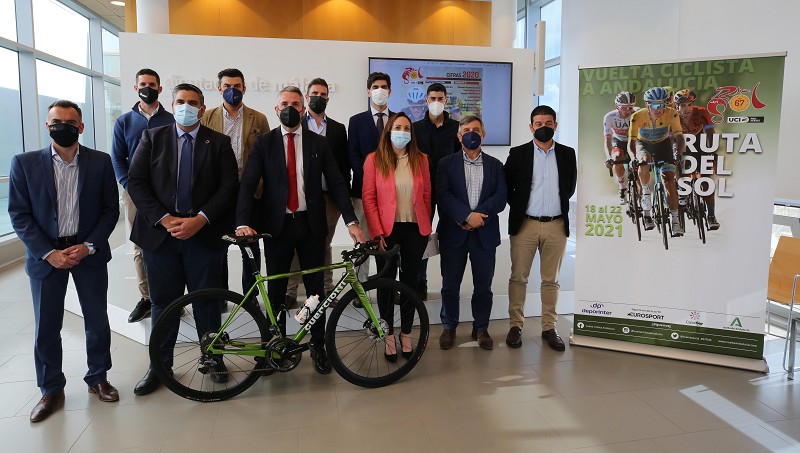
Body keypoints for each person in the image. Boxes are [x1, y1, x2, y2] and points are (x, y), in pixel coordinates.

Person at [235, 86, 366, 375]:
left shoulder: (319, 143)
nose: (289, 108)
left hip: (311, 225)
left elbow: (337, 182)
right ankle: (275, 347)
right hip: (277, 228)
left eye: (295, 104)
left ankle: (317, 344)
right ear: (276, 109)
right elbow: (248, 183)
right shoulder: (265, 143)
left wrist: (351, 221)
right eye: (284, 103)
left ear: (303, 108)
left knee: (315, 291)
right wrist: (242, 222)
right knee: (277, 290)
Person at [9, 100, 121, 422]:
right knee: (47, 326)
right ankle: (51, 389)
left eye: (70, 122)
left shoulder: (100, 162)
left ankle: (98, 378)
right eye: (56, 121)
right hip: (47, 257)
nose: (63, 127)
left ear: (81, 127)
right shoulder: (24, 163)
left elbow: (110, 211)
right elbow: (19, 214)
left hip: (88, 254)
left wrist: (89, 246)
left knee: (96, 320)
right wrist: (48, 253)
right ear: (47, 126)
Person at [128, 83, 239, 395]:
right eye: (180, 101)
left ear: (202, 109)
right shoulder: (152, 137)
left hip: (203, 235)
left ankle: (213, 358)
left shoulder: (219, 142)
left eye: (192, 102)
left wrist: (199, 219)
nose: (185, 107)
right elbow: (136, 182)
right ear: (172, 104)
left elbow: (228, 186)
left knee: (207, 301)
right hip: (160, 237)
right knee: (163, 303)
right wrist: (165, 219)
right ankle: (160, 365)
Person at [504, 105, 577, 351]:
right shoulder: (518, 154)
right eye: (538, 123)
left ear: (555, 125)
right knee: (518, 278)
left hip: (556, 225)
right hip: (525, 224)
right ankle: (516, 326)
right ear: (531, 127)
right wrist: (523, 208)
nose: (543, 127)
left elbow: (569, 188)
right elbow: (508, 188)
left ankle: (549, 327)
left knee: (551, 280)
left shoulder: (567, 154)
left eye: (548, 123)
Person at [362, 112, 432, 361]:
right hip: (386, 230)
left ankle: (406, 333)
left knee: (410, 283)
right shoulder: (374, 159)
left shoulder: (421, 159)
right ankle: (388, 334)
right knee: (386, 283)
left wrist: (426, 226)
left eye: (407, 128)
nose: (403, 132)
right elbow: (369, 198)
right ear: (389, 131)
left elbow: (427, 195)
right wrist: (376, 232)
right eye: (398, 127)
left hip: (415, 228)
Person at [436, 116, 506, 351]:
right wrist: (466, 216)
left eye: (476, 129)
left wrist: (477, 218)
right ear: (459, 136)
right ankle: (449, 327)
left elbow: (500, 197)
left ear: (483, 135)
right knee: (450, 285)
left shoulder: (496, 165)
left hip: (484, 234)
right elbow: (443, 195)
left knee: (483, 286)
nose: (471, 133)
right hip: (453, 233)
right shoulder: (446, 164)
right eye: (466, 130)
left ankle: (481, 328)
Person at [111, 68, 175, 323]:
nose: (147, 88)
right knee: (140, 245)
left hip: (167, 192)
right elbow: (117, 158)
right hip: (135, 193)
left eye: (152, 84)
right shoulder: (124, 121)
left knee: (169, 244)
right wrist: (129, 186)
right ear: (135, 88)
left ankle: (172, 298)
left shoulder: (172, 119)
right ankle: (147, 298)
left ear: (160, 89)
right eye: (143, 84)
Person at [200, 68, 270, 299]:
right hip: (218, 192)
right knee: (217, 246)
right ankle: (220, 295)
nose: (232, 90)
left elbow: (268, 155)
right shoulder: (207, 117)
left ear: (244, 89)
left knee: (250, 246)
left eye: (237, 86)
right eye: (227, 86)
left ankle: (250, 297)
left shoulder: (258, 118)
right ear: (219, 89)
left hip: (250, 192)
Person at [285, 78, 351, 306]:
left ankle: (327, 288)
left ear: (328, 98)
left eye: (323, 94)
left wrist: (342, 199)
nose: (318, 98)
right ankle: (291, 291)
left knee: (324, 244)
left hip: (329, 198)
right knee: (297, 243)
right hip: (301, 196)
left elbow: (343, 166)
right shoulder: (295, 124)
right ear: (306, 97)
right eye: (314, 94)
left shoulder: (338, 129)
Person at [412, 82, 461, 300]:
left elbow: (461, 159)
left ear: (446, 100)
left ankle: (449, 284)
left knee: (450, 236)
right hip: (424, 190)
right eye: (433, 99)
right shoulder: (415, 128)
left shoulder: (456, 128)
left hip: (450, 190)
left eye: (440, 99)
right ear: (426, 100)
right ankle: (419, 282)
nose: (436, 102)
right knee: (422, 235)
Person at [348, 72, 395, 282]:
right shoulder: (356, 121)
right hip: (362, 192)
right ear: (368, 92)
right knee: (363, 242)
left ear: (390, 91)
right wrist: (371, 182)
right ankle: (361, 289)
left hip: (392, 194)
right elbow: (353, 155)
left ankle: (388, 287)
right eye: (375, 87)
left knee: (388, 242)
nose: (379, 91)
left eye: (383, 87)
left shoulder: (398, 120)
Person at [627, 87, 686, 235]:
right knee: (644, 161)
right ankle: (646, 193)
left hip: (663, 145)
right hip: (643, 144)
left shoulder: (672, 113)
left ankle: (675, 221)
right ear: (647, 104)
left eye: (662, 104)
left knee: (669, 181)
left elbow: (679, 137)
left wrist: (678, 154)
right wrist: (633, 158)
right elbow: (631, 142)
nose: (659, 109)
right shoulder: (637, 116)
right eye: (655, 105)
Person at [674, 89, 720, 230]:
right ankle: (683, 191)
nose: (687, 108)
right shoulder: (672, 116)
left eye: (690, 104)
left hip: (699, 145)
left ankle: (711, 215)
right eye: (683, 105)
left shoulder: (702, 112)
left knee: (706, 180)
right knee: (681, 169)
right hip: (681, 145)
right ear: (676, 106)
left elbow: (710, 133)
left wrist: (713, 152)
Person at [602, 91, 638, 204]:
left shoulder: (638, 113)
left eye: (630, 107)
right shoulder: (609, 117)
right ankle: (622, 188)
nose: (628, 111)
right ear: (616, 106)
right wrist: (609, 157)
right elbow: (607, 140)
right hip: (619, 140)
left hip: (635, 140)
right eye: (624, 107)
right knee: (616, 157)